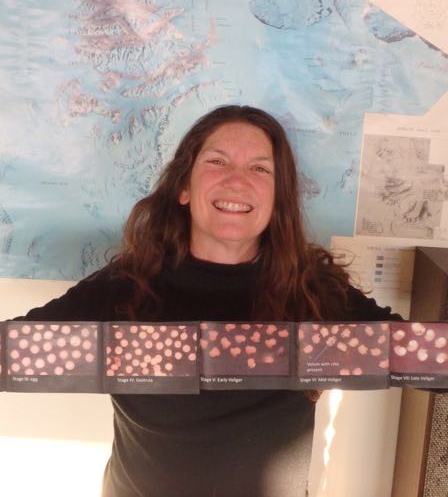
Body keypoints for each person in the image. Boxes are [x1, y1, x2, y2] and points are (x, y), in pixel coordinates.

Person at [22, 105, 400, 497]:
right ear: (184, 187)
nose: (237, 182)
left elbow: (415, 353)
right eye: (218, 161)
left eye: (259, 169)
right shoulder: (125, 285)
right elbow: (15, 349)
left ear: (278, 198)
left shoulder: (314, 288)